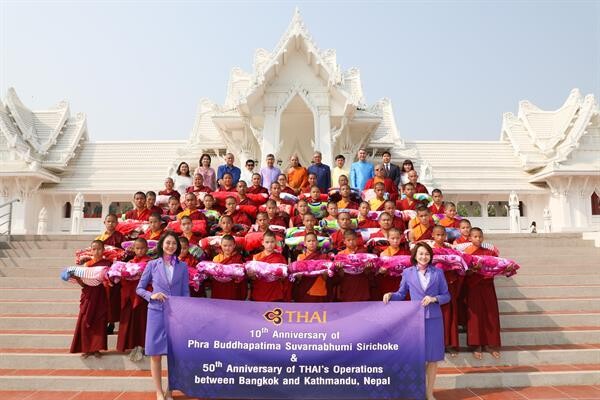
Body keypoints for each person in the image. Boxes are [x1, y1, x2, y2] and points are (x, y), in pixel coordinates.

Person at [383, 242, 450, 400]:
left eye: (427, 254)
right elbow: (401, 293)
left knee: (433, 358)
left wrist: (434, 298)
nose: (424, 257)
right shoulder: (408, 273)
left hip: (434, 320)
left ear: (430, 256)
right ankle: (418, 391)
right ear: (415, 255)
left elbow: (447, 295)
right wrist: (391, 295)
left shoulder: (438, 273)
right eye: (421, 253)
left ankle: (429, 392)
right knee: (417, 357)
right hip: (415, 320)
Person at [136, 232, 190, 400]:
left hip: (176, 315)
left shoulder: (182, 267)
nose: (171, 246)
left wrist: (186, 312)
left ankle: (169, 391)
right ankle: (159, 392)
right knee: (156, 353)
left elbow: (186, 292)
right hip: (156, 313)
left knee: (174, 354)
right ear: (161, 245)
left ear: (177, 246)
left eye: (174, 243)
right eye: (168, 243)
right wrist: (151, 295)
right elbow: (139, 288)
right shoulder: (152, 265)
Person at [462, 227, 502, 360]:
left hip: (487, 285)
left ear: (483, 238)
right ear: (470, 238)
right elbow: (463, 272)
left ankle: (490, 344)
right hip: (473, 286)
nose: (478, 239)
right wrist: (473, 269)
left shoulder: (489, 252)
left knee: (490, 314)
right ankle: (476, 345)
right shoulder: (466, 253)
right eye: (475, 237)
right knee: (475, 315)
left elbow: (496, 267)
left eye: (480, 237)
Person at [70, 240, 111, 358]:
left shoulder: (107, 264)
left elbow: (110, 280)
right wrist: (77, 278)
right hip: (88, 295)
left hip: (101, 294)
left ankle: (96, 348)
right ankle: (86, 348)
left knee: (99, 320)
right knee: (85, 321)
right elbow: (84, 284)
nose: (96, 251)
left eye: (99, 249)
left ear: (103, 250)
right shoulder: (87, 265)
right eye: (94, 249)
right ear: (91, 251)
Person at [431, 225, 462, 357]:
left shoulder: (450, 250)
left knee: (450, 314)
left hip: (449, 283)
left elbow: (458, 264)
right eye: (437, 235)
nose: (440, 237)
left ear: (446, 236)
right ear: (432, 235)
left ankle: (450, 343)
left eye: (442, 235)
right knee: (435, 316)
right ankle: (435, 345)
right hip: (433, 286)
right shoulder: (428, 250)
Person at [117, 238, 150, 359]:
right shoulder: (130, 262)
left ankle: (144, 345)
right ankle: (133, 345)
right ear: (134, 249)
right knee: (132, 321)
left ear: (147, 249)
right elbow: (123, 279)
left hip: (144, 297)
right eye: (137, 248)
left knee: (143, 321)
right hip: (130, 295)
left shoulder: (150, 262)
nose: (140, 250)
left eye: (142, 248)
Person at [249, 231, 289, 301]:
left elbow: (284, 277)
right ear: (262, 243)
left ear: (275, 242)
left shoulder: (280, 257)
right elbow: (253, 277)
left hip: (275, 292)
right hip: (260, 291)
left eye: (272, 242)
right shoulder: (256, 257)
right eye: (267, 242)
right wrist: (251, 275)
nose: (270, 245)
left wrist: (281, 275)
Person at [335, 230, 371, 302]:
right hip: (347, 284)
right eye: (348, 240)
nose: (351, 242)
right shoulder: (340, 254)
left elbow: (367, 273)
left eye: (353, 239)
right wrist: (339, 268)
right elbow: (340, 275)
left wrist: (368, 268)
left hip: (361, 284)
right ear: (344, 241)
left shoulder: (363, 252)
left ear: (357, 240)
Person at [293, 232, 329, 303]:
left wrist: (324, 273)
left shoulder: (324, 257)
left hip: (319, 288)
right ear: (305, 244)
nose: (311, 243)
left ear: (317, 243)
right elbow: (297, 278)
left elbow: (327, 277)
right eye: (309, 241)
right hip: (304, 290)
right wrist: (298, 276)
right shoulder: (300, 257)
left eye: (313, 241)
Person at [210, 234, 247, 300]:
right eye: (225, 245)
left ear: (234, 245)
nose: (227, 248)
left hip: (233, 289)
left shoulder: (238, 258)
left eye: (230, 245)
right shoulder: (216, 258)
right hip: (220, 288)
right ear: (221, 245)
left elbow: (242, 276)